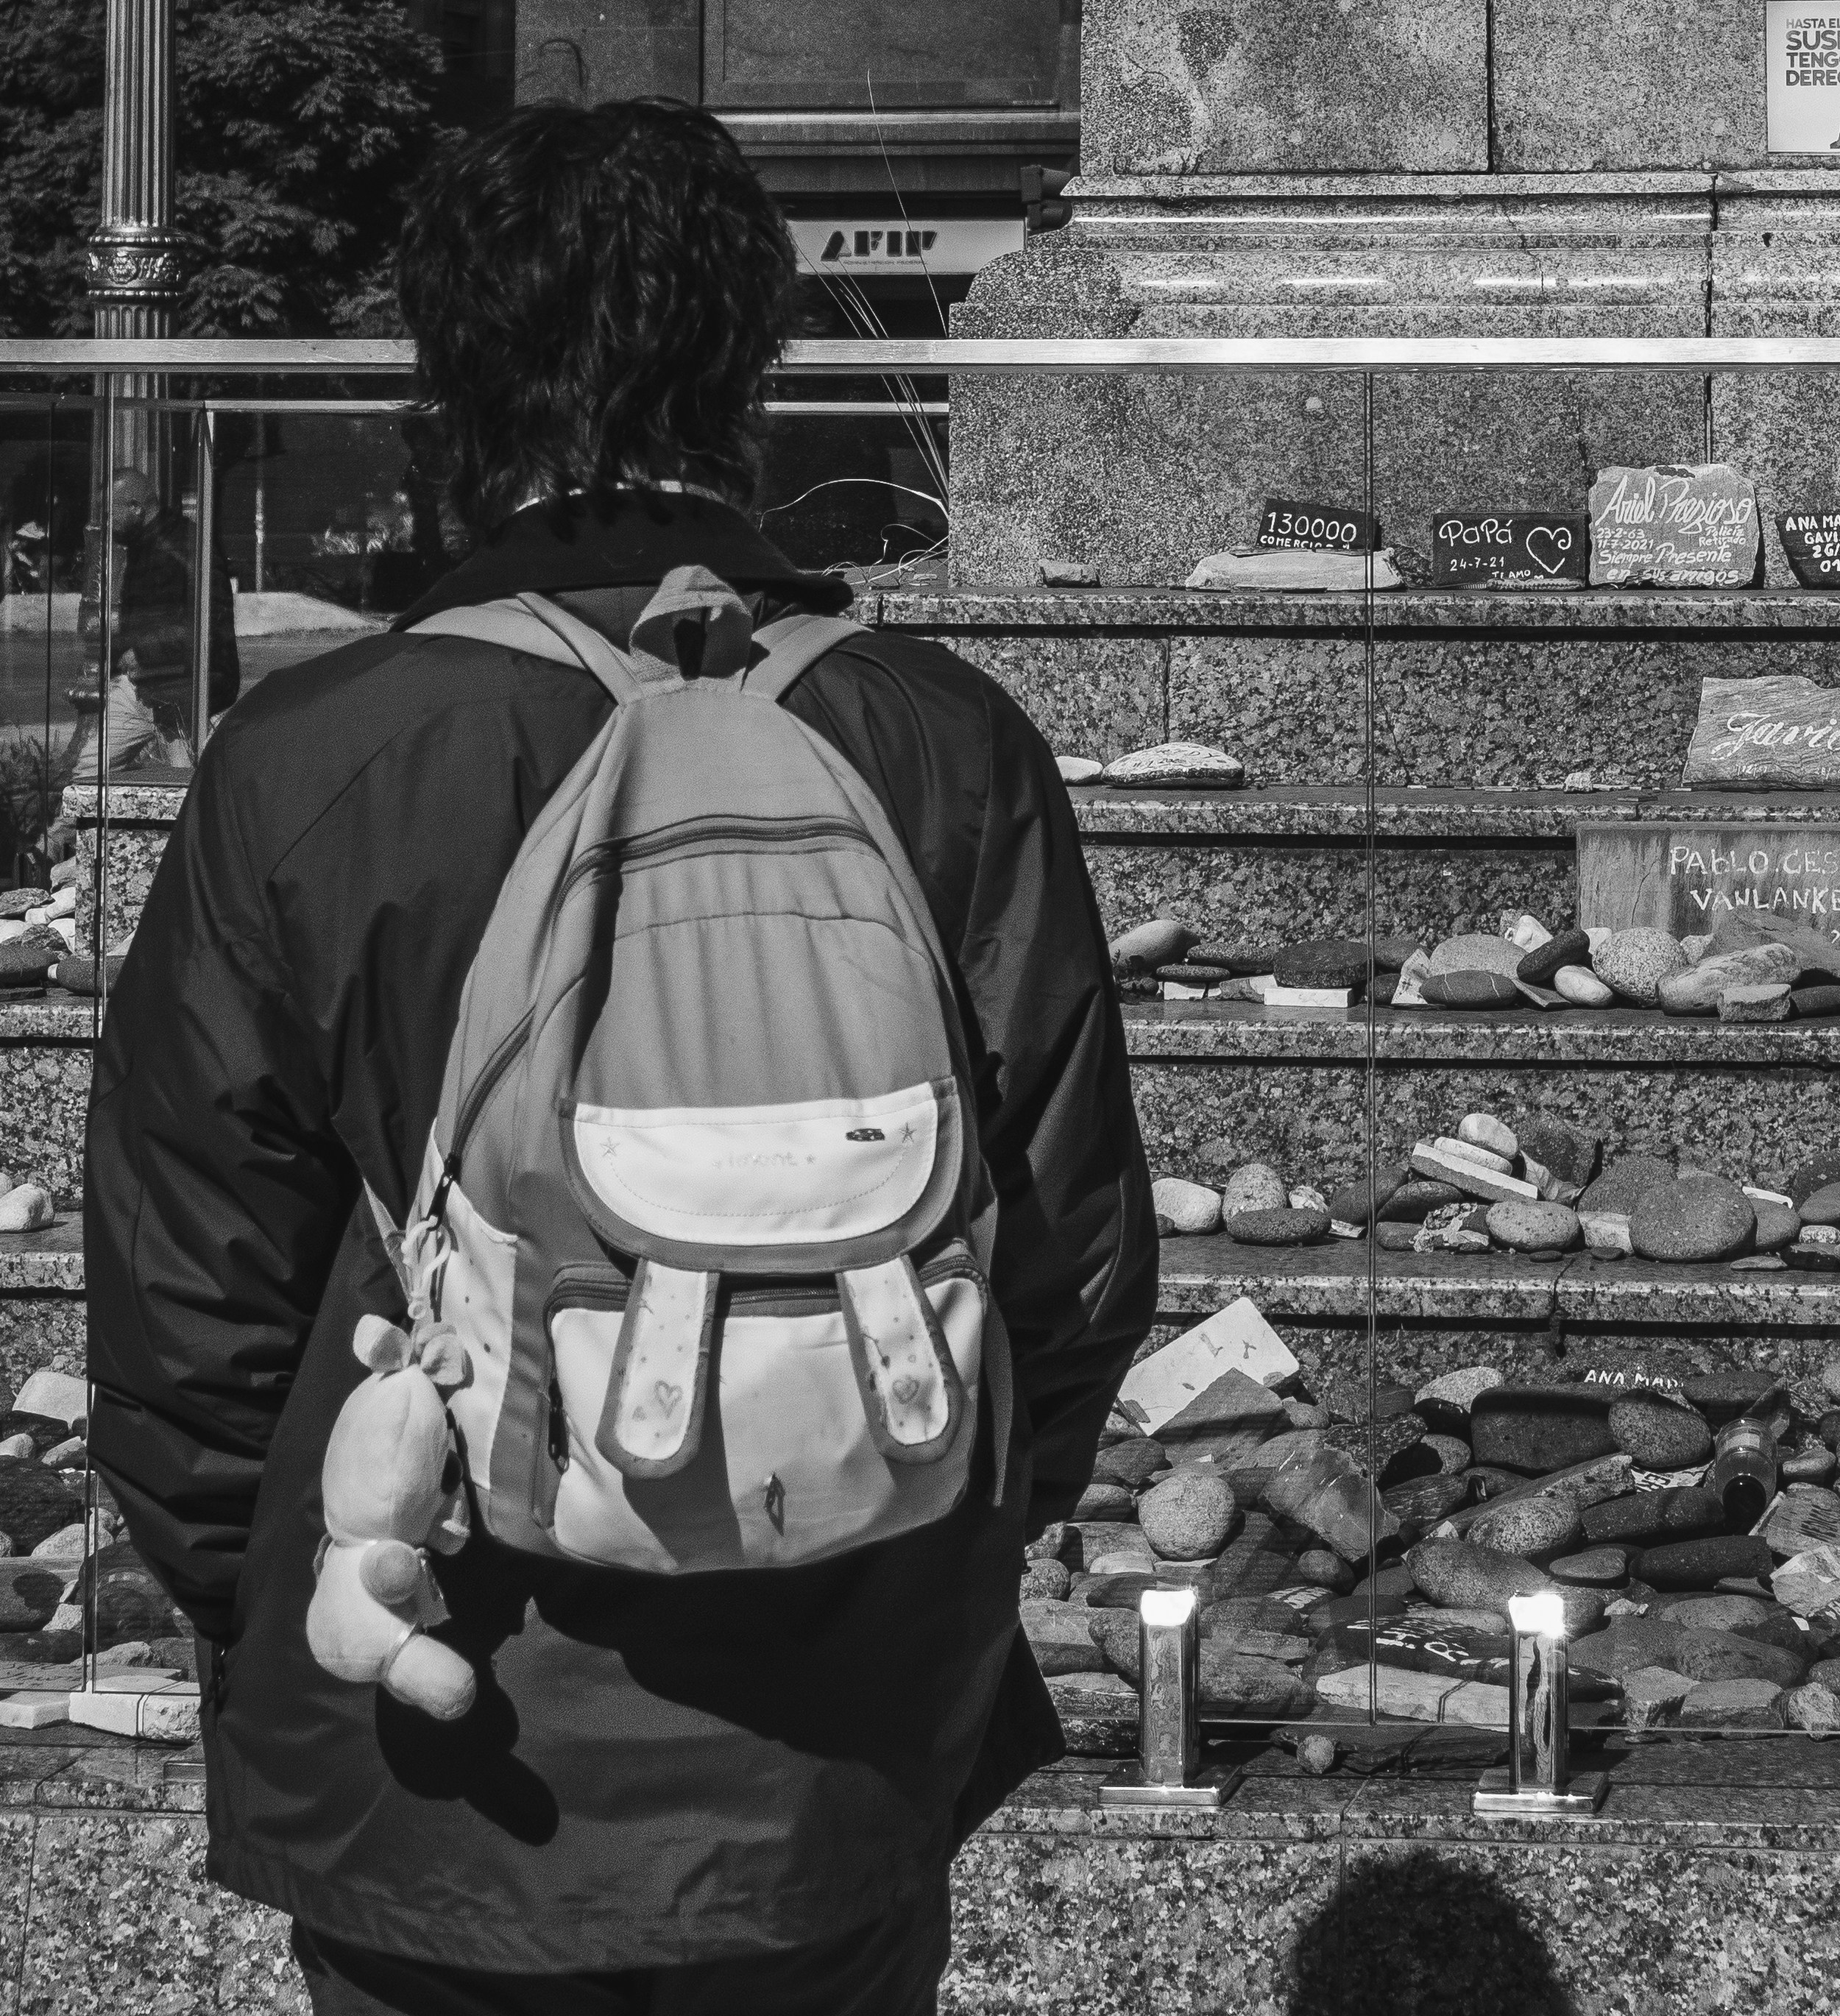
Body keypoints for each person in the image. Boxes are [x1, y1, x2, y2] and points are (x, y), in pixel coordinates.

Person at [85, 99, 1157, 2016]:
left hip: (444, 1742)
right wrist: (913, 1570)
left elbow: (191, 1309)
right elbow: (1068, 1259)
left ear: (446, 388)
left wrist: (309, 1588)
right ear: (756, 373)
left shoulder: (319, 758)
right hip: (833, 1743)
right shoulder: (938, 743)